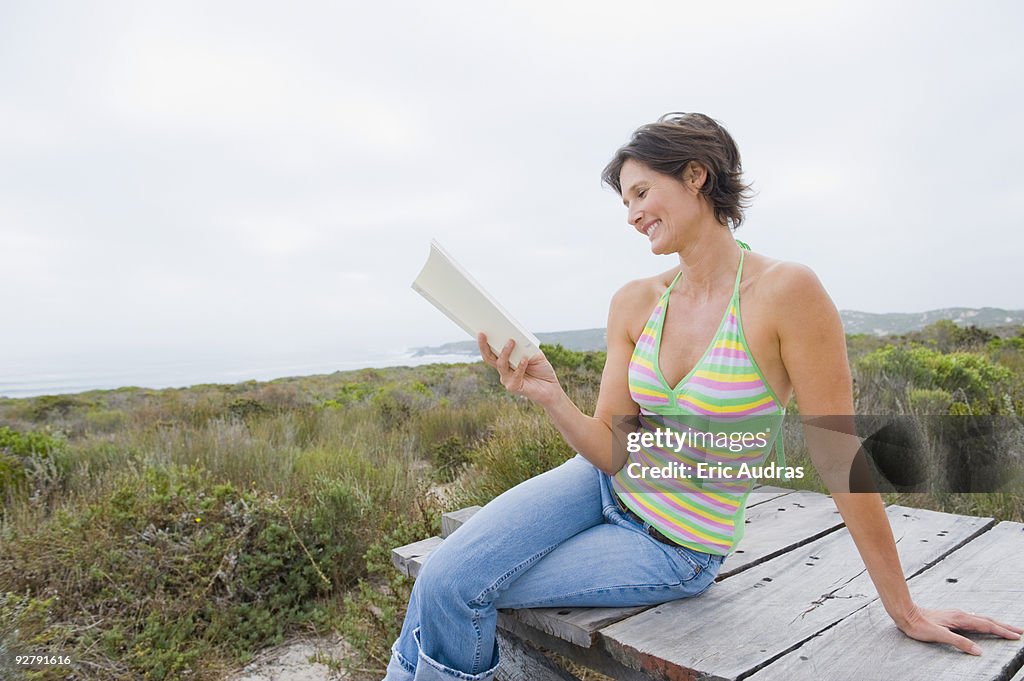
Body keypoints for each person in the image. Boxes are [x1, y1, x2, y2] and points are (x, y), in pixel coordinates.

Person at [382, 113, 1022, 681]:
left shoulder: (785, 292)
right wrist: (550, 395)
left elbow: (838, 456)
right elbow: (611, 449)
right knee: (442, 578)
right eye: (624, 202)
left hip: (673, 544)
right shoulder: (635, 301)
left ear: (695, 176)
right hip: (600, 485)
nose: (631, 214)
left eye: (640, 192)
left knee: (456, 588)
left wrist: (903, 607)